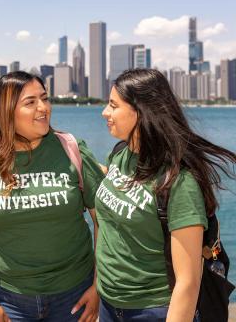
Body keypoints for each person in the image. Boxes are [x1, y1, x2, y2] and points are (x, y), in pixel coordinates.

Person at [0, 71, 105, 322]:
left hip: (73, 295)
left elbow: (102, 221)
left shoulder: (71, 148)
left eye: (44, 98)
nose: (43, 108)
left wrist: (97, 286)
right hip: (9, 300)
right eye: (30, 102)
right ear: (6, 111)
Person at [96, 68, 236, 321]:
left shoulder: (179, 182)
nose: (105, 112)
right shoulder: (120, 153)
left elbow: (188, 282)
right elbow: (121, 189)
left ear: (141, 112)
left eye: (113, 105)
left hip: (154, 310)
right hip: (108, 303)